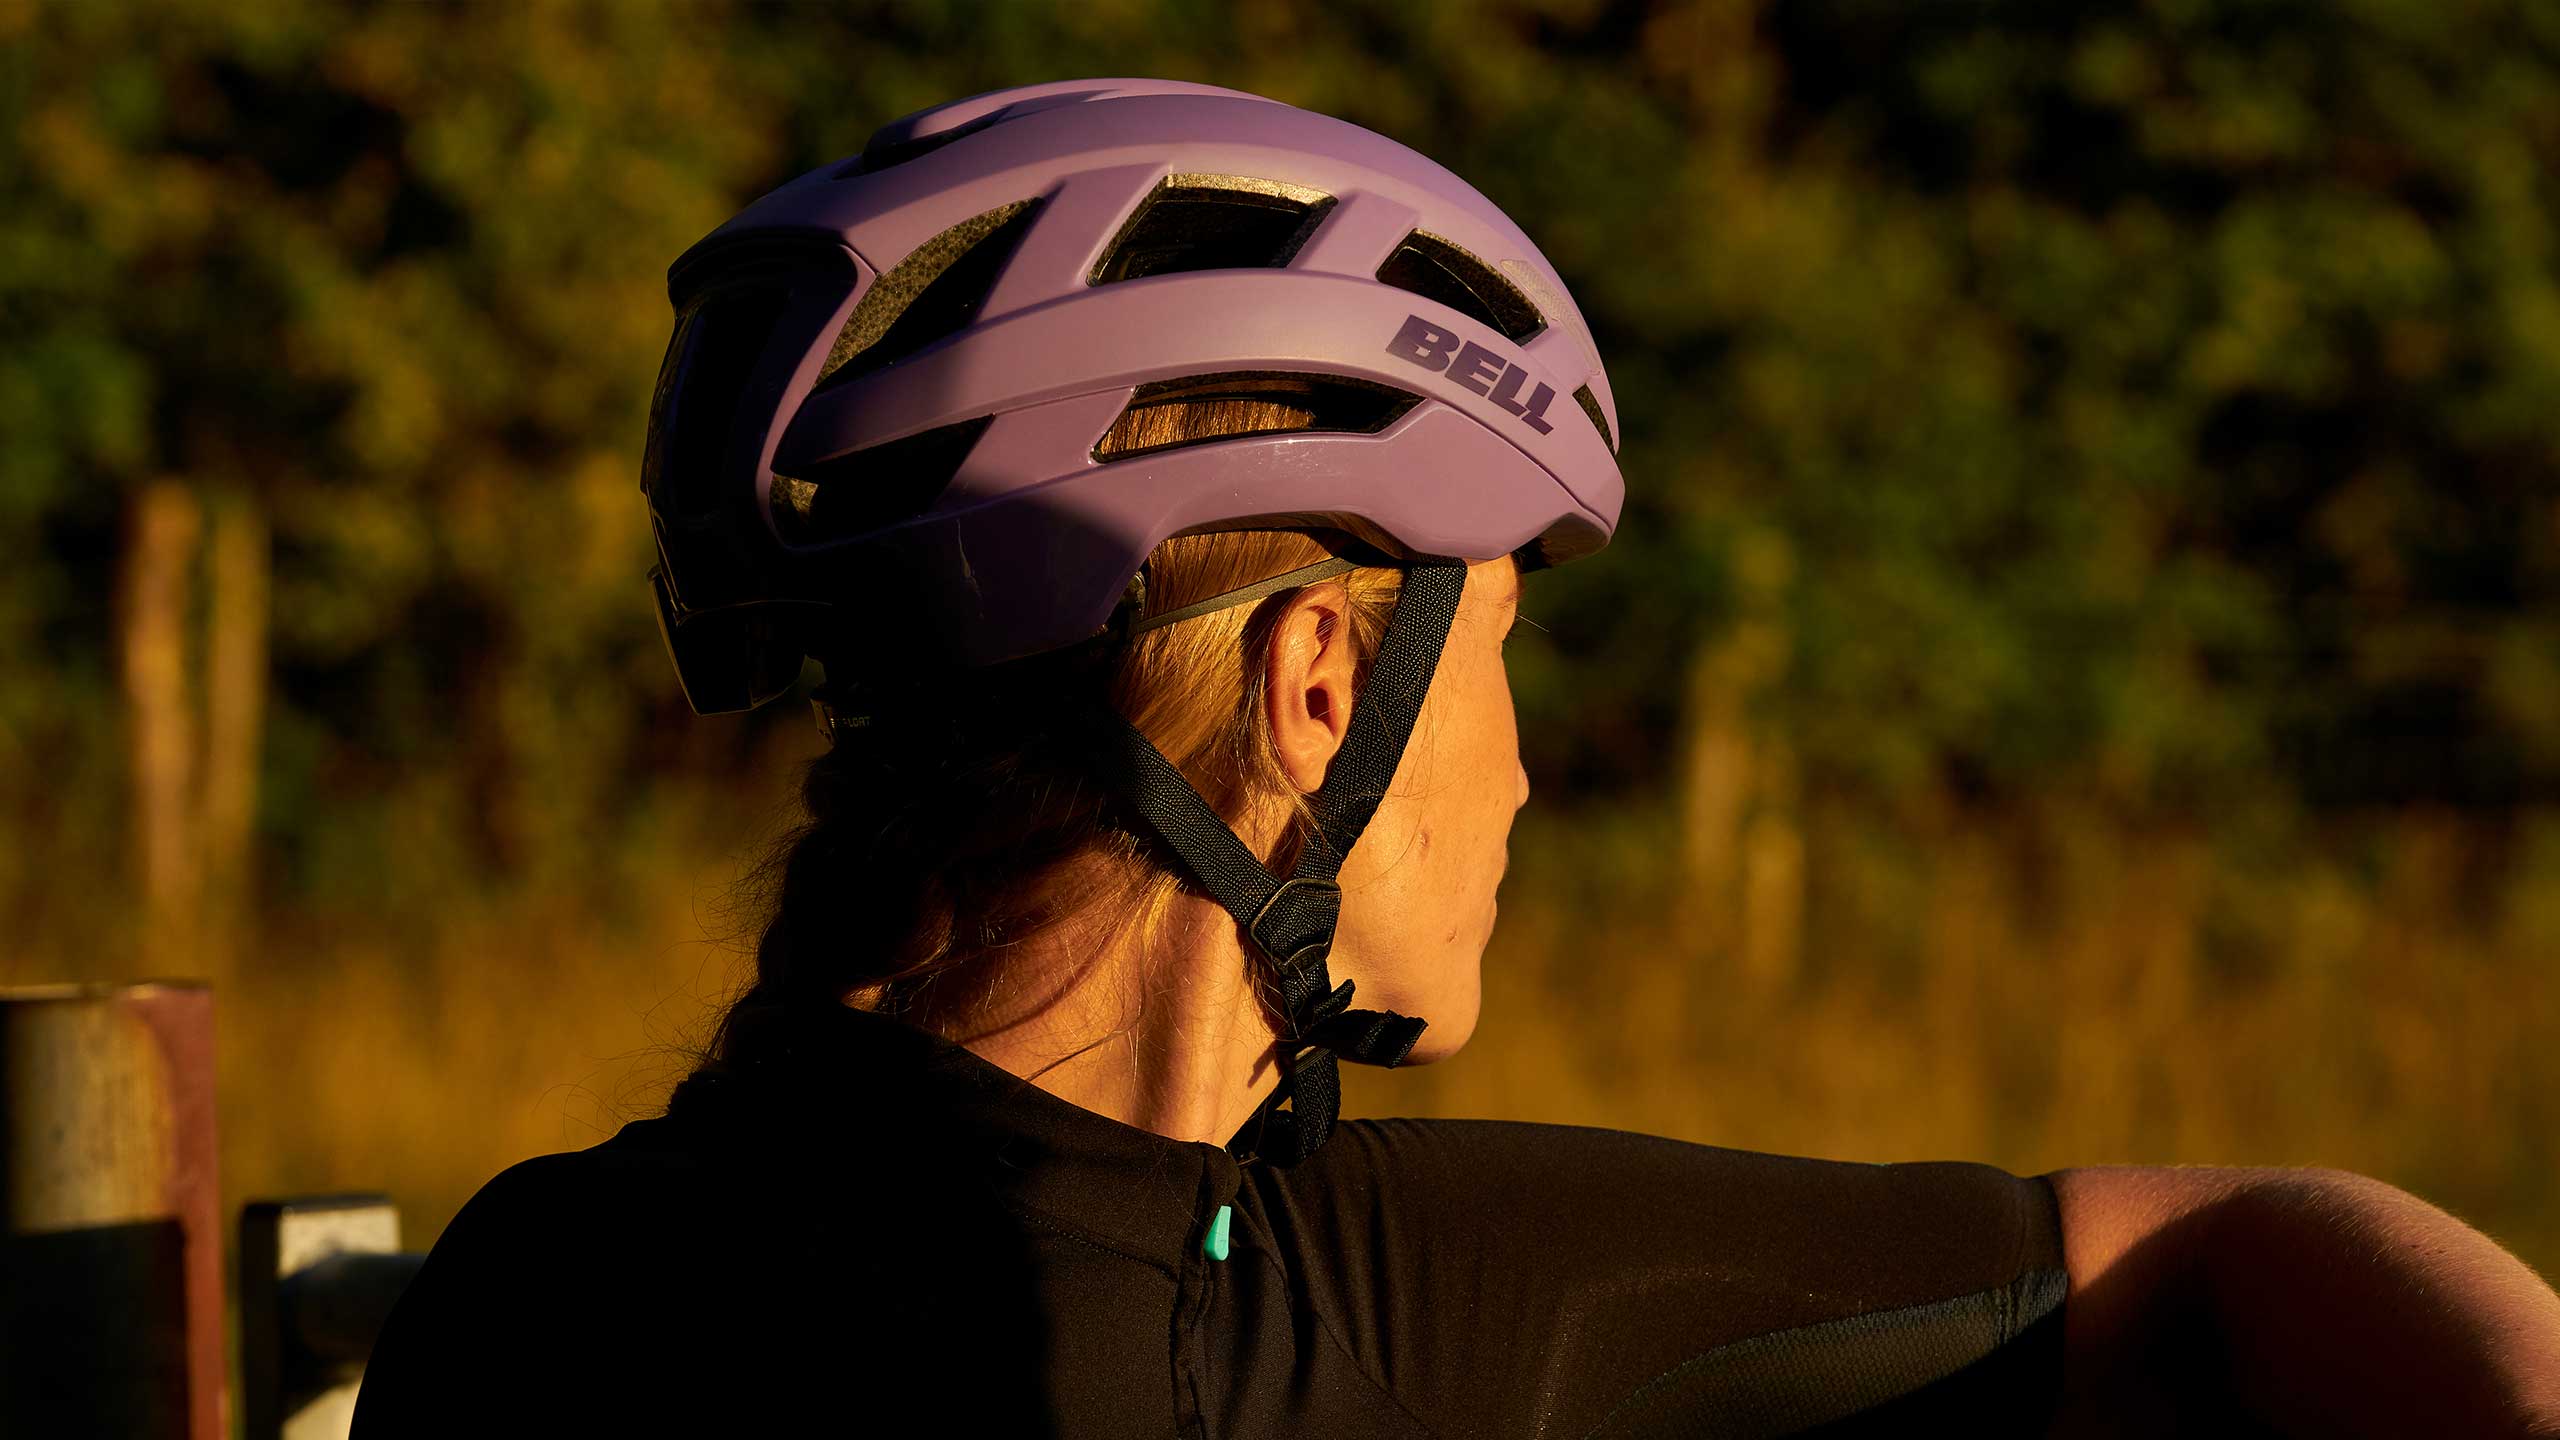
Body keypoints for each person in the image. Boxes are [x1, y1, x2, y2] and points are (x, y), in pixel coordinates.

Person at [353, 79, 2560, 1438]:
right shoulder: (1333, 1324)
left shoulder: (537, 1289)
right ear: (1319, 681)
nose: (1514, 779)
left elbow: (2214, 1248)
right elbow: (2211, 1264)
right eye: (1493, 655)